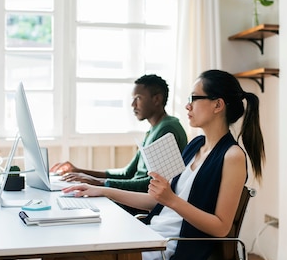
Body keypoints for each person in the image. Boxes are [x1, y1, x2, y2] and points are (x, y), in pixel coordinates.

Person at [14, 69, 265, 260]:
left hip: (173, 250)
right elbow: (153, 199)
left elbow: (220, 227)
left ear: (218, 105)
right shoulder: (194, 146)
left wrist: (172, 200)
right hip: (151, 235)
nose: (187, 105)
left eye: (195, 98)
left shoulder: (232, 156)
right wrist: (100, 190)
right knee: (56, 257)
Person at [51, 74, 188, 192]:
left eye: (138, 98)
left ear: (157, 99)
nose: (133, 105)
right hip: (131, 194)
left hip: (141, 202)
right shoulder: (154, 129)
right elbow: (127, 173)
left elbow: (154, 184)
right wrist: (80, 171)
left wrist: (100, 183)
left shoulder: (168, 129)